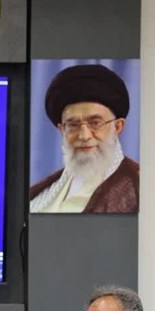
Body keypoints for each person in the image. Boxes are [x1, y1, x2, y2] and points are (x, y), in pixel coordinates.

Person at [30, 64, 139, 213]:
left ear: (118, 127)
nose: (84, 136)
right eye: (73, 125)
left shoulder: (138, 187)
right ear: (62, 130)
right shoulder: (41, 193)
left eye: (95, 123)